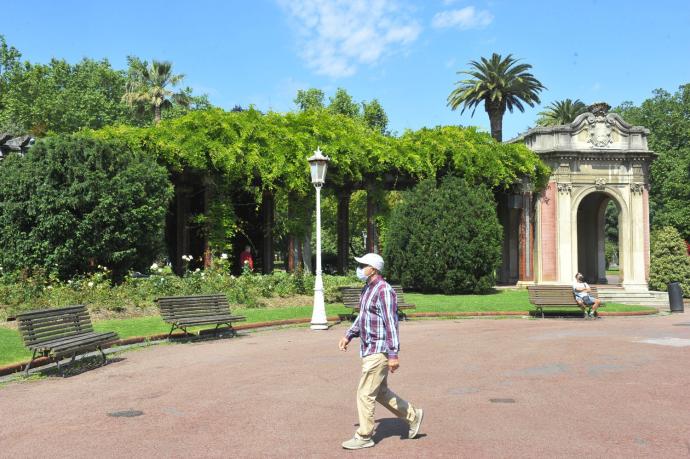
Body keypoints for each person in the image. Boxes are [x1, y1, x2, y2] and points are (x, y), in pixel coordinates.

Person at [338, 253, 423, 450]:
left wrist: (393, 354)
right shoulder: (368, 288)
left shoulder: (384, 290)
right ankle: (413, 415)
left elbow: (391, 323)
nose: (360, 268)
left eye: (363, 265)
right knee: (380, 392)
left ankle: (364, 435)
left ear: (373, 268)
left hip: (379, 349)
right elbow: (362, 316)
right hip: (369, 348)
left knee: (364, 393)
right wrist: (348, 335)